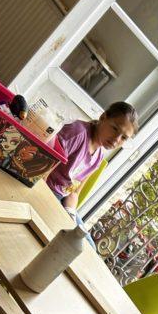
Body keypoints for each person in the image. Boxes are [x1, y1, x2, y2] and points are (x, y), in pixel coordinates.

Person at [46, 102, 138, 243]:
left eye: (124, 137)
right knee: (64, 238)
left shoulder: (98, 156)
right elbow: (42, 168)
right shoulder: (77, 133)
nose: (116, 139)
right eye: (114, 128)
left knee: (87, 244)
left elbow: (74, 192)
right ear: (103, 117)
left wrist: (70, 214)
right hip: (46, 189)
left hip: (63, 199)